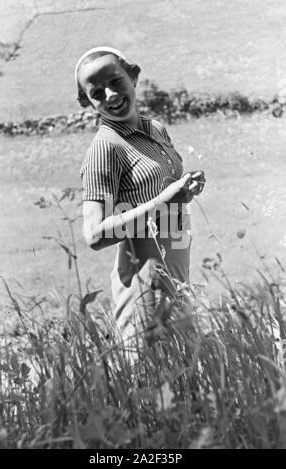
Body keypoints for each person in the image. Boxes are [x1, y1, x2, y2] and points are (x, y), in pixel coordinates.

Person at [75, 46, 205, 341]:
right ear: (86, 101)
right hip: (143, 289)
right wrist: (165, 201)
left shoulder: (155, 128)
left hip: (177, 280)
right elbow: (94, 235)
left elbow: (165, 195)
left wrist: (185, 189)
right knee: (152, 383)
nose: (109, 95)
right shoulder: (105, 148)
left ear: (133, 77)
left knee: (188, 382)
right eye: (96, 93)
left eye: (115, 81)